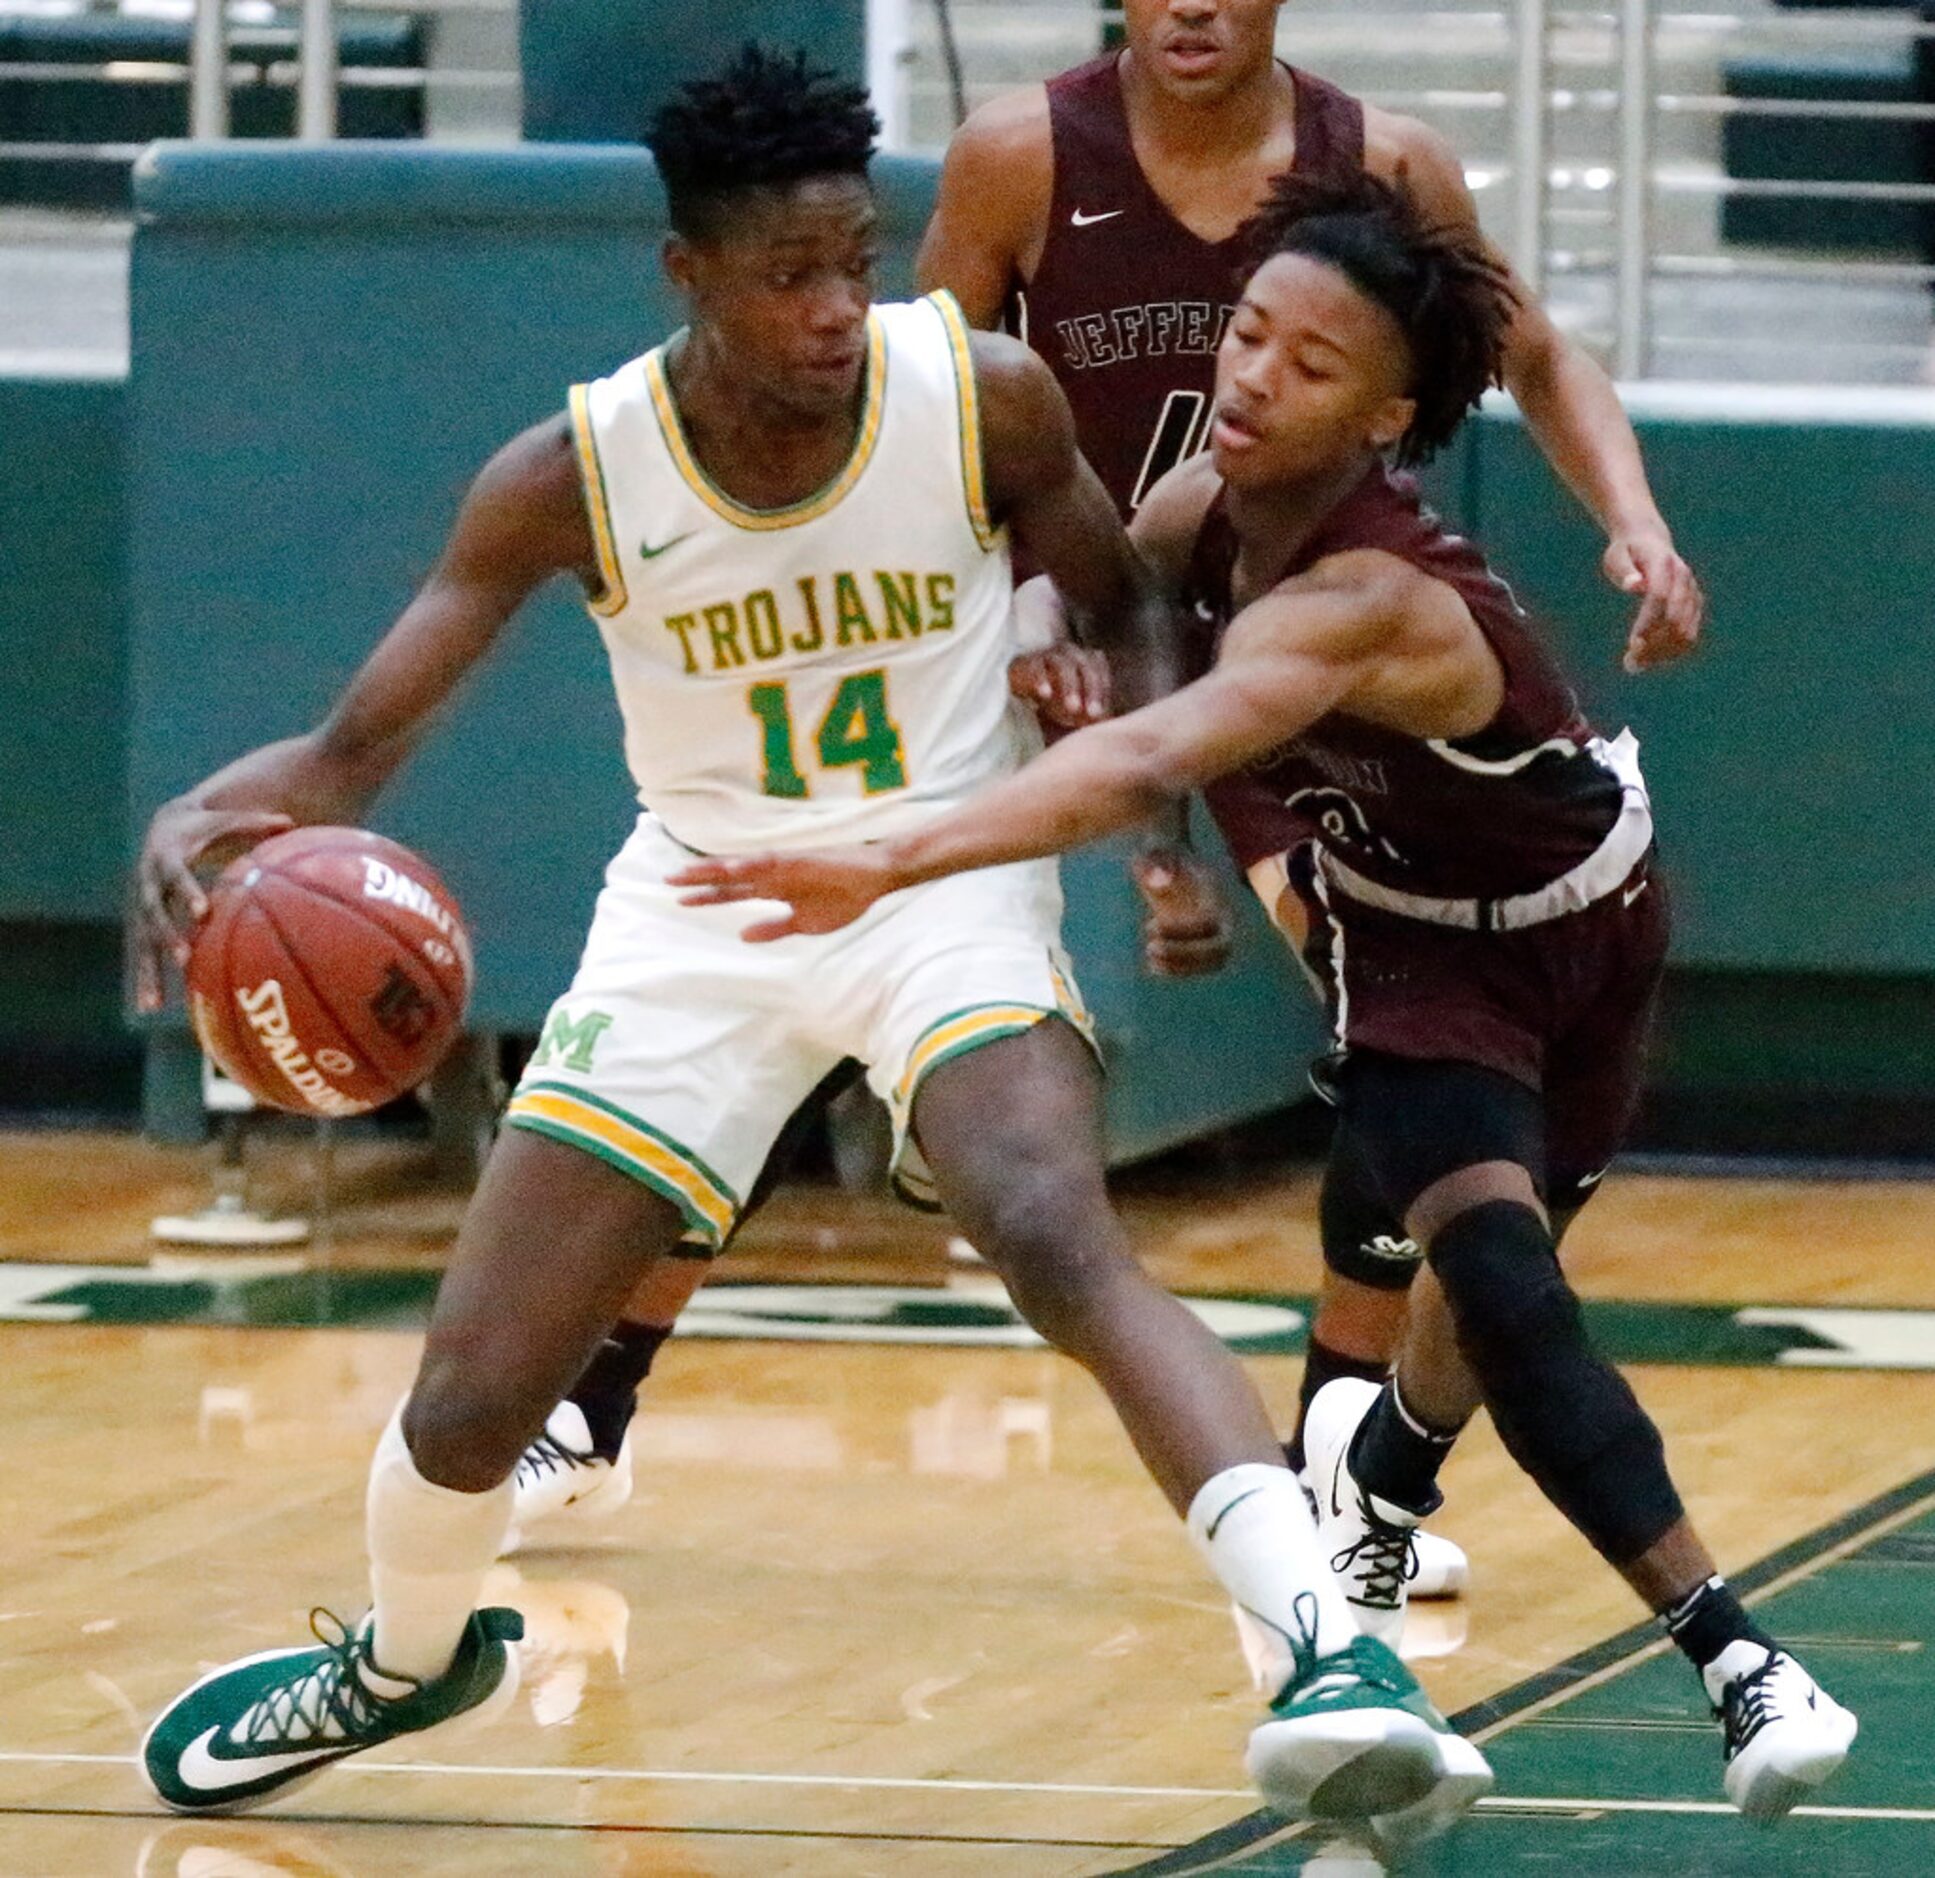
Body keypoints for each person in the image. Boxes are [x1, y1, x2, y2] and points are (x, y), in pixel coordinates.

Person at [130, 49, 1492, 1834]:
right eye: (791, 274)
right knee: (469, 1403)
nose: (840, 307)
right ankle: (399, 1656)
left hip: (939, 879)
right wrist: (207, 818)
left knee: (1044, 1215)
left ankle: (1328, 1649)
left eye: (857, 258)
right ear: (685, 273)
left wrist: (1133, 794)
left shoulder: (982, 395)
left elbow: (1127, 592)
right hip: (699, 911)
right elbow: (349, 757)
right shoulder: (572, 471)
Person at [671, 170, 1857, 1824]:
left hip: (1592, 926)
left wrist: (899, 856)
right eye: (1244, 333)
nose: (1248, 377)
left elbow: (1154, 745)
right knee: (1507, 1286)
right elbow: (1117, 610)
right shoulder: (1193, 509)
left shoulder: (1370, 595)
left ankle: (1374, 1482)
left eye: (1307, 364)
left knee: (1472, 1311)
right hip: (1412, 944)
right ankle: (1740, 1661)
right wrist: (1112, 758)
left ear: (1385, 414)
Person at [528, 0, 1709, 1577]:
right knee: (775, 971)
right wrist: (1024, 620)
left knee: (1393, 1034)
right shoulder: (1022, 154)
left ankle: (1331, 1470)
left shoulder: (1387, 163)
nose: (1194, 6)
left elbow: (1540, 352)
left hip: (1293, 643)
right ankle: (596, 1402)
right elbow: (912, 402)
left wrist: (1638, 520)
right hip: (1070, 623)